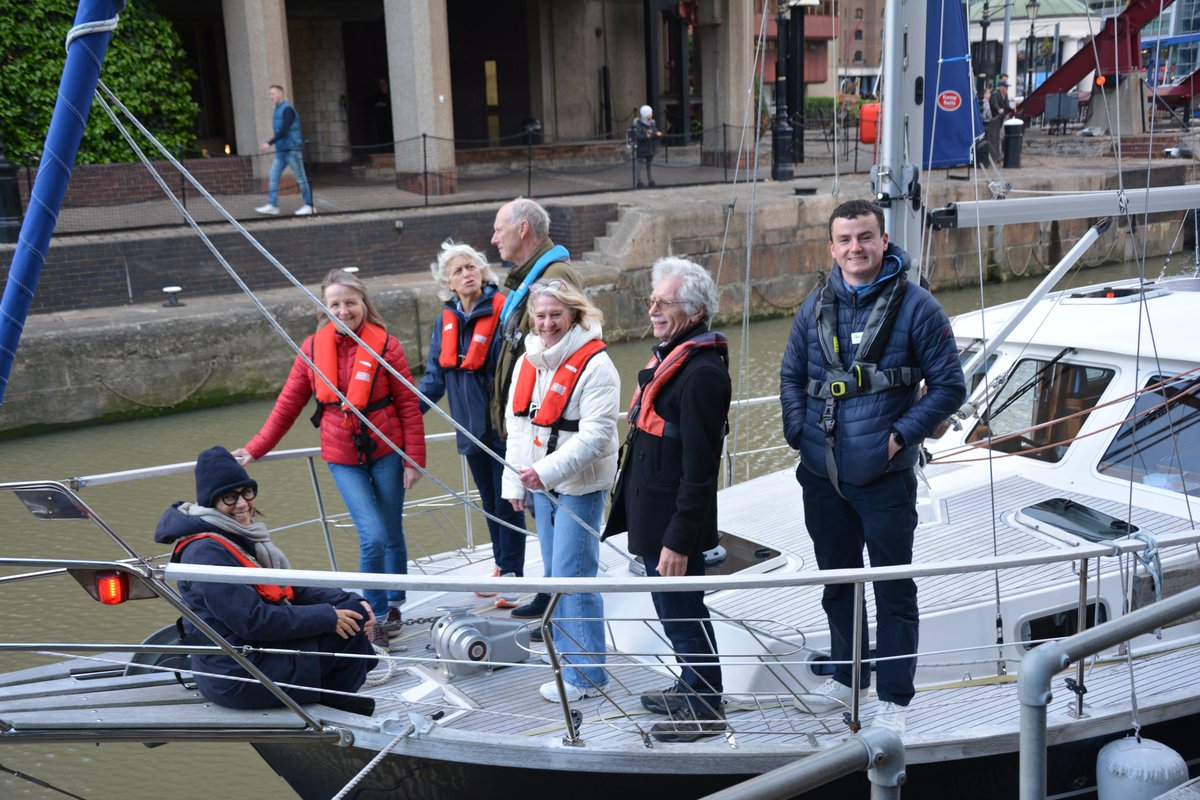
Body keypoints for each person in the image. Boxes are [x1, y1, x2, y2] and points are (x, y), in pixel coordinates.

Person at [779, 200, 966, 736]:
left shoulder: (918, 308)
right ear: (831, 247)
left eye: (865, 238)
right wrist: (798, 432)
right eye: (845, 240)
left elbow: (950, 386)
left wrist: (899, 438)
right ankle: (847, 674)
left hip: (884, 476)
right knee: (839, 581)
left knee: (892, 588)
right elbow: (791, 376)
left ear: (884, 241)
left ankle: (895, 699)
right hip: (821, 472)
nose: (855, 248)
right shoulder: (815, 305)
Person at [233, 269, 426, 649]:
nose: (343, 310)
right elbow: (288, 405)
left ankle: (394, 604)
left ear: (363, 304)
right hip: (342, 456)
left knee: (392, 531)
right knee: (373, 536)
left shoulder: (387, 346)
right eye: (334, 303)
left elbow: (408, 405)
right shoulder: (311, 349)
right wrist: (255, 448)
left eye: (350, 302)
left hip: (387, 451)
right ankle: (374, 616)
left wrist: (413, 459)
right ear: (324, 307)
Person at [602, 257, 731, 743]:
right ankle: (694, 683)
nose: (653, 310)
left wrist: (677, 542)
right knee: (675, 609)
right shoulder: (672, 357)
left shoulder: (701, 375)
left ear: (695, 311)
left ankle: (704, 708)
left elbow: (700, 471)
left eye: (665, 302)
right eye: (652, 300)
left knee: (683, 611)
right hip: (656, 520)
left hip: (675, 529)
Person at [153, 446, 377, 714]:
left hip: (251, 655)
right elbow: (252, 620)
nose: (242, 503)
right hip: (238, 674)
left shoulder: (230, 535)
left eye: (246, 492)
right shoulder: (205, 553)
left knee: (353, 615)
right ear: (211, 502)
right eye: (229, 497)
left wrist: (351, 600)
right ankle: (334, 710)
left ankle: (326, 700)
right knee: (346, 636)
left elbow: (287, 586)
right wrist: (328, 617)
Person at [501, 279, 619, 704]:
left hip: (580, 485)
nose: (548, 323)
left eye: (556, 315)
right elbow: (518, 426)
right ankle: (571, 662)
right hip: (541, 484)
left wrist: (542, 473)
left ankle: (587, 675)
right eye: (541, 315)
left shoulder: (598, 366)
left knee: (575, 578)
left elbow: (597, 436)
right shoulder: (528, 362)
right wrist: (515, 480)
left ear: (574, 314)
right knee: (556, 576)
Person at [419, 240, 527, 606]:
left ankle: (514, 576)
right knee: (488, 501)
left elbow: (515, 367)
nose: (466, 274)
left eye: (471, 267)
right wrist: (406, 415)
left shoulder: (501, 311)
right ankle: (502, 565)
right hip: (469, 428)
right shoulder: (444, 320)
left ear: (482, 271)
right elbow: (434, 378)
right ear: (447, 282)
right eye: (457, 271)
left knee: (508, 500)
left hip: (501, 427)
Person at [489, 197, 582, 621]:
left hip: (548, 428)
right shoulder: (530, 279)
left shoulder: (555, 277)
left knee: (555, 523)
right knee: (541, 518)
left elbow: (562, 352)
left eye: (499, 230)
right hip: (530, 426)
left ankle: (560, 605)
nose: (494, 239)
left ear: (523, 229)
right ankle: (551, 597)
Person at [256, 84, 315, 217]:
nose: (270, 96)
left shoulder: (287, 109)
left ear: (280, 94)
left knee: (301, 178)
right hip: (282, 150)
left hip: (292, 150)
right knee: (273, 176)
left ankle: (309, 205)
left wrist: (269, 143)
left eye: (273, 93)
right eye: (270, 94)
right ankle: (272, 205)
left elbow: (284, 129)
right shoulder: (278, 109)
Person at [633, 104, 663, 188]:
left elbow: (654, 133)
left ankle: (651, 181)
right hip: (642, 148)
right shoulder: (638, 125)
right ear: (646, 114)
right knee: (639, 165)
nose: (652, 114)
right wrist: (646, 136)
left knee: (649, 165)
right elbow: (638, 137)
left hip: (649, 147)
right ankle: (639, 181)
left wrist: (657, 135)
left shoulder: (651, 124)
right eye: (650, 113)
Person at [986, 80, 1014, 160]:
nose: (1007, 88)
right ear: (1001, 87)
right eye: (1006, 87)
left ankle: (1000, 153)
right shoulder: (995, 94)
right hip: (995, 119)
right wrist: (999, 109)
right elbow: (994, 104)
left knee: (1001, 136)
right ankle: (997, 154)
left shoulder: (1005, 96)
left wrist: (1012, 110)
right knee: (998, 137)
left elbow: (1006, 107)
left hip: (1002, 119)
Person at [371, 77, 393, 151]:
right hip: (381, 119)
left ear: (387, 85)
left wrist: (386, 104)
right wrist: (377, 104)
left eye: (383, 84)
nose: (382, 86)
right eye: (380, 84)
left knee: (391, 134)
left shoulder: (391, 94)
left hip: (390, 119)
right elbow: (372, 104)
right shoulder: (376, 95)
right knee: (382, 135)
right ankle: (383, 150)